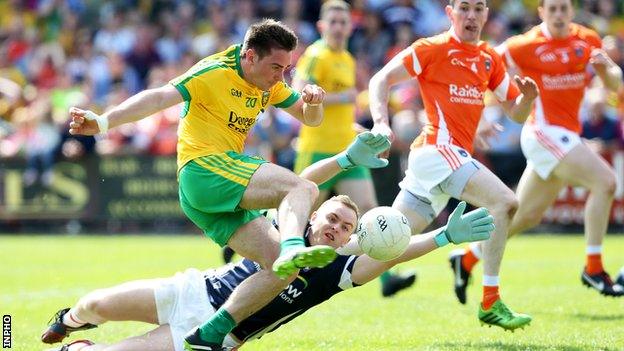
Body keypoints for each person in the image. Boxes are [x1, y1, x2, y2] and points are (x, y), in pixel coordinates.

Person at [41, 133, 495, 351]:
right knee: (94, 305)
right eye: (331, 219)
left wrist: (443, 236)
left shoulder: (340, 271)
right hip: (194, 289)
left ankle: (81, 349)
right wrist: (343, 159)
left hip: (215, 334)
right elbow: (299, 184)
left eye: (344, 228)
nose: (335, 229)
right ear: (314, 214)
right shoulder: (285, 224)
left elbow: (389, 255)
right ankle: (69, 320)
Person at [67, 19, 340, 350]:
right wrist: (105, 121)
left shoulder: (267, 83)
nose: (280, 77)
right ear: (250, 57)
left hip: (203, 194)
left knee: (281, 270)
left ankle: (210, 333)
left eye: (285, 69)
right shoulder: (213, 72)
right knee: (304, 189)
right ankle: (294, 246)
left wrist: (313, 103)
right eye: (276, 67)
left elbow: (310, 119)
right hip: (204, 169)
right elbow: (158, 97)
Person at [366, 0, 539, 330]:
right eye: (464, 8)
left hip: (438, 162)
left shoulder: (489, 58)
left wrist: (527, 99)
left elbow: (515, 111)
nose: (471, 15)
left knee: (388, 244)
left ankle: (315, 256)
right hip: (437, 151)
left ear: (487, 14)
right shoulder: (432, 48)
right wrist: (380, 122)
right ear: (450, 13)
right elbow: (381, 79)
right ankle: (490, 300)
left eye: (478, 8)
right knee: (505, 202)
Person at [451, 0, 624, 299]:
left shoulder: (587, 39)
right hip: (543, 132)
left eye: (564, 8)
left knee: (524, 216)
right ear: (541, 12)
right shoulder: (525, 44)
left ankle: (466, 258)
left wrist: (609, 70)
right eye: (552, 9)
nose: (558, 14)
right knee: (606, 182)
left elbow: (613, 82)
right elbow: (486, 63)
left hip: (565, 136)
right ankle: (593, 267)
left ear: (572, 11)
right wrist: (477, 112)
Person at [292, 0, 415, 297]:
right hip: (318, 150)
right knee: (296, 218)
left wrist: (355, 129)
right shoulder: (315, 54)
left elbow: (343, 111)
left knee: (370, 214)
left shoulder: (346, 59)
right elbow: (299, 91)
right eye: (332, 22)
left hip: (348, 150)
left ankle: (387, 280)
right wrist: (341, 97)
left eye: (342, 22)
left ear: (350, 26)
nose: (337, 27)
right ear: (322, 26)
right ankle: (251, 253)